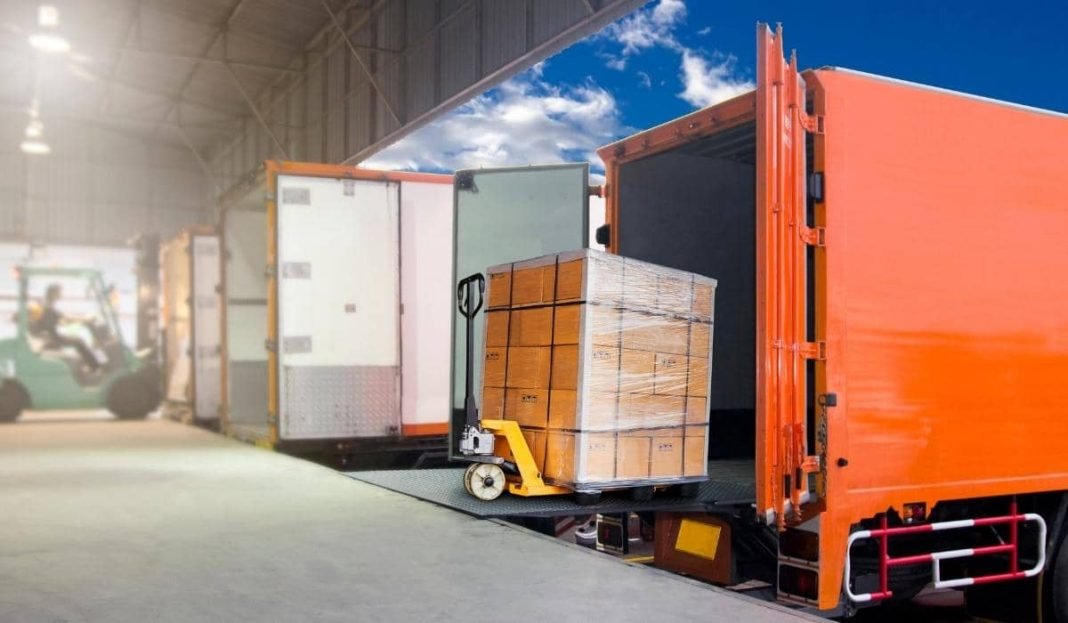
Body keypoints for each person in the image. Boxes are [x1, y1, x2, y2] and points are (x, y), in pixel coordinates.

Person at [34, 284, 100, 372]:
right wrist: (85, 319)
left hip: (51, 334)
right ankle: (95, 368)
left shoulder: (47, 304)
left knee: (77, 339)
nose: (61, 294)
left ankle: (90, 366)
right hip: (53, 337)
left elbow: (57, 320)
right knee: (78, 342)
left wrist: (72, 322)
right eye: (59, 292)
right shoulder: (48, 306)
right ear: (53, 293)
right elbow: (65, 317)